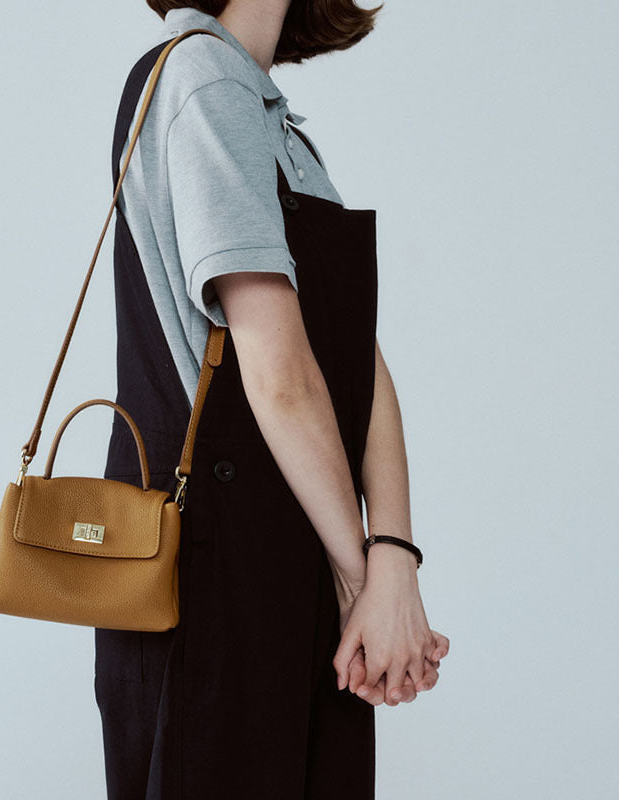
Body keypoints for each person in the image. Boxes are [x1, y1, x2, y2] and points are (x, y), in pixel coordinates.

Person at [95, 2, 450, 798]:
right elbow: (278, 367)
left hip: (292, 562)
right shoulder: (200, 80)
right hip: (219, 584)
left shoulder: (266, 115)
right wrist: (367, 582)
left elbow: (358, 365)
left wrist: (392, 557)